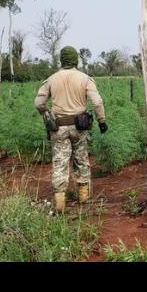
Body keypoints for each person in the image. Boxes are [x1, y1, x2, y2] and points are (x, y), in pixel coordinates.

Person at [34, 46, 107, 213]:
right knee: (81, 158)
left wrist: (46, 115)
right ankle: (83, 196)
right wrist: (102, 121)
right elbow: (97, 102)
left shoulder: (51, 79)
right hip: (80, 126)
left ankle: (60, 201)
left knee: (60, 160)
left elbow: (39, 103)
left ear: (62, 59)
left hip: (58, 127)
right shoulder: (85, 78)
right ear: (76, 60)